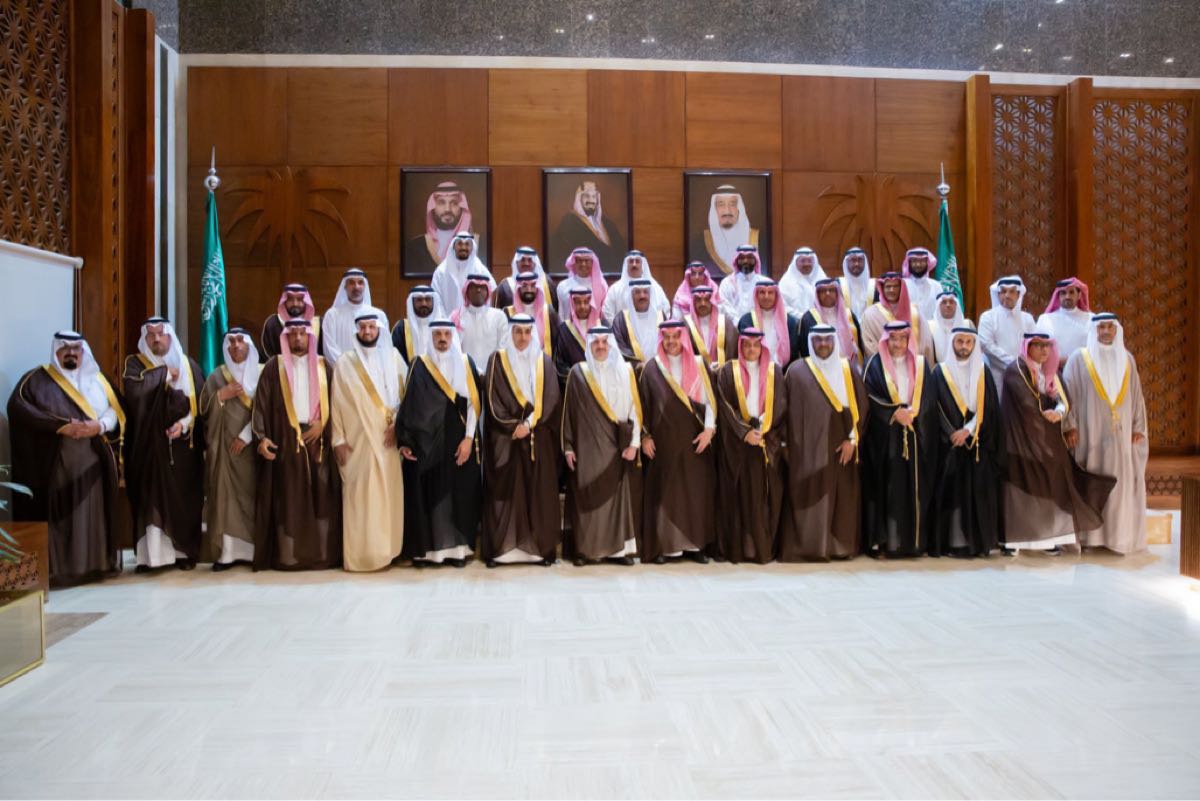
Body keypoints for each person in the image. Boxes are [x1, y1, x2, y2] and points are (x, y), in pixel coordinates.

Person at [7, 331, 123, 586]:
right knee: (62, 516)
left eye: (76, 349)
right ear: (56, 351)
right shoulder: (37, 380)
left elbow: (115, 411)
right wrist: (59, 426)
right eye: (65, 349)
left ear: (83, 351)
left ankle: (93, 566)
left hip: (92, 462)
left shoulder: (98, 380)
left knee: (90, 517)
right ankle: (61, 571)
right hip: (56, 464)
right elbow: (19, 408)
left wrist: (99, 426)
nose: (71, 353)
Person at [1001, 332, 1114, 554]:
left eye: (1047, 346)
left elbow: (1064, 399)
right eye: (1038, 345)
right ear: (1027, 347)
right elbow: (1027, 405)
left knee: (1051, 486)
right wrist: (1048, 415)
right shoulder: (1016, 370)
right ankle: (1017, 541)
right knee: (1023, 487)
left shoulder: (1051, 371)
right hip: (1021, 442)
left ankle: (1048, 539)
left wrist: (1060, 412)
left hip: (1048, 440)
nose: (1044, 350)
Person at [253, 319, 342, 570]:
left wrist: (323, 424)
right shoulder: (274, 367)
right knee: (289, 501)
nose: (298, 338)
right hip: (285, 440)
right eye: (293, 334)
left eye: (303, 334)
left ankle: (323, 556)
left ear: (311, 337)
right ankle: (289, 557)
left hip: (318, 442)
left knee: (322, 500)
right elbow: (260, 405)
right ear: (285, 337)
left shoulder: (325, 367)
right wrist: (261, 437)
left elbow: (338, 403)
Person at [396, 321, 482, 567]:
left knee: (458, 496)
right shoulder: (419, 364)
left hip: (457, 441)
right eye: (438, 334)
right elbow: (408, 405)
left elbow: (473, 405)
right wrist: (405, 441)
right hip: (425, 445)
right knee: (428, 496)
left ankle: (457, 552)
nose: (442, 339)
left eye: (446, 334)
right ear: (431, 337)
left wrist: (469, 439)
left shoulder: (465, 362)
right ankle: (426, 553)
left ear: (453, 336)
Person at [122, 317, 204, 572]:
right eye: (151, 335)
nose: (156, 339)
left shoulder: (188, 365)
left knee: (183, 501)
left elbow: (200, 405)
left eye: (161, 333)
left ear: (170, 336)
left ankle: (183, 553)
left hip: (182, 448)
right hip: (149, 447)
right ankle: (152, 558)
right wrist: (165, 375)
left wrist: (184, 424)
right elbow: (134, 393)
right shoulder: (135, 365)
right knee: (151, 502)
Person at [780, 325, 867, 561]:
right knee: (809, 500)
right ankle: (809, 548)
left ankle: (839, 548)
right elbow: (784, 412)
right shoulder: (797, 371)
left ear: (834, 341)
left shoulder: (848, 370)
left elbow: (860, 408)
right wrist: (786, 446)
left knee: (841, 500)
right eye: (817, 340)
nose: (823, 344)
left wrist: (852, 440)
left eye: (827, 339)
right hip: (806, 452)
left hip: (841, 447)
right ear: (810, 342)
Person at [1063, 314, 1148, 554]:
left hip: (1121, 436)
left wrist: (1138, 427)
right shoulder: (1079, 359)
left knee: (1119, 485)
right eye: (1101, 327)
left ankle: (1117, 537)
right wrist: (1069, 425)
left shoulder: (1127, 359)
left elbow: (1137, 396)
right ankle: (1090, 537)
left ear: (1117, 330)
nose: (1106, 331)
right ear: (1094, 330)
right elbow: (1068, 394)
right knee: (1092, 482)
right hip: (1089, 435)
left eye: (1111, 327)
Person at [481, 314, 562, 567]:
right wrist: (512, 426)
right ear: (511, 333)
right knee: (505, 493)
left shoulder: (544, 362)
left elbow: (551, 399)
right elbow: (492, 401)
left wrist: (528, 425)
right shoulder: (497, 360)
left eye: (527, 332)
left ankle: (539, 551)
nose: (523, 337)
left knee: (537, 494)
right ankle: (501, 551)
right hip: (505, 438)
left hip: (537, 436)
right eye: (518, 331)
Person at [332, 311, 407, 572]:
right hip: (358, 440)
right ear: (357, 330)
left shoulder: (394, 357)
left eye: (371, 327)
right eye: (363, 327)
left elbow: (406, 396)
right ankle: (363, 556)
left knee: (387, 497)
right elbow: (336, 401)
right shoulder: (345, 363)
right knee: (362, 499)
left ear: (379, 329)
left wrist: (399, 425)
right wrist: (338, 439)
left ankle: (387, 552)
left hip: (388, 439)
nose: (367, 331)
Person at [560, 326, 642, 566]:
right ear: (589, 345)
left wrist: (635, 442)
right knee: (588, 499)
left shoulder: (626, 371)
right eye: (595, 342)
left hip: (619, 445)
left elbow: (635, 410)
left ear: (611, 344)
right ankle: (587, 551)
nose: (600, 346)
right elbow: (568, 413)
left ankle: (618, 552)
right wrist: (568, 446)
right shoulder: (578, 373)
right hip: (587, 448)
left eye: (605, 341)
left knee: (617, 501)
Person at [638, 320, 718, 564]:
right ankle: (665, 548)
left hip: (695, 442)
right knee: (666, 495)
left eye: (676, 336)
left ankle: (696, 547)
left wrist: (709, 430)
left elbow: (711, 402)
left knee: (695, 495)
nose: (671, 342)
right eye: (667, 337)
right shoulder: (652, 368)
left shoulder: (699, 364)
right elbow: (642, 406)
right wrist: (645, 436)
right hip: (663, 444)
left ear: (683, 338)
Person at [861, 321, 936, 558]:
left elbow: (929, 398)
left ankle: (913, 544)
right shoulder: (874, 364)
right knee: (888, 489)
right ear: (886, 340)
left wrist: (914, 415)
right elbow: (868, 396)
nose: (898, 344)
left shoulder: (921, 364)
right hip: (886, 437)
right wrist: (894, 413)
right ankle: (887, 543)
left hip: (915, 434)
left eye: (902, 339)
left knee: (914, 490)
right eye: (893, 339)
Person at [930, 325, 1004, 557]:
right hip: (949, 445)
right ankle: (952, 544)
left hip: (978, 444)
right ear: (952, 342)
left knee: (977, 495)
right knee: (952, 495)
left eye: (968, 342)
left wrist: (969, 431)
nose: (964, 346)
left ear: (974, 344)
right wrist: (952, 433)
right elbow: (934, 408)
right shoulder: (940, 372)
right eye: (959, 341)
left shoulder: (983, 371)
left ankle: (977, 544)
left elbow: (990, 408)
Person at [714, 327, 786, 563]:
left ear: (762, 347)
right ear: (741, 346)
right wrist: (744, 432)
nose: (752, 350)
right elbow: (725, 407)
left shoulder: (775, 372)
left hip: (765, 441)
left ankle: (761, 549)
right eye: (747, 345)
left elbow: (781, 406)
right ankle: (738, 550)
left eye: (756, 345)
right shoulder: (728, 371)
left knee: (763, 498)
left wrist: (764, 428)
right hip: (737, 445)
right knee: (738, 498)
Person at [198, 328, 259, 571]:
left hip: (252, 449)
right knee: (225, 500)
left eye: (240, 340)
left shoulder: (261, 373)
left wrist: (247, 436)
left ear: (249, 345)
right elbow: (204, 411)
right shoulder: (216, 376)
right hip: (224, 449)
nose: (235, 345)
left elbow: (268, 410)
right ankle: (227, 553)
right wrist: (221, 396)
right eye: (231, 342)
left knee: (251, 498)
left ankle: (253, 551)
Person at [978, 276, 1036, 397]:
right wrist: (1014, 364)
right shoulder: (988, 317)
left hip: (1023, 375)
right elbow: (987, 345)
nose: (1007, 295)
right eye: (1003, 291)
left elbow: (1034, 346)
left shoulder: (1028, 319)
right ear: (998, 294)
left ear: (1018, 294)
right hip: (995, 374)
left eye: (1011, 291)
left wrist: (1022, 368)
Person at [550, 180, 627, 269]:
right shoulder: (569, 222)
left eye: (594, 196)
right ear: (579, 198)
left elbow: (622, 252)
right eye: (586, 196)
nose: (591, 200)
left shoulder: (608, 223)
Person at [860, 272, 934, 362]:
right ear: (882, 288)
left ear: (901, 288)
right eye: (888, 287)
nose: (892, 290)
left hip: (914, 365)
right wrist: (891, 363)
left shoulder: (915, 312)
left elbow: (926, 343)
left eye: (895, 286)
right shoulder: (869, 315)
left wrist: (917, 363)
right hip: (883, 367)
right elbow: (869, 345)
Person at [404, 180, 474, 274]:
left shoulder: (478, 243)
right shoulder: (415, 246)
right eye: (441, 202)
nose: (447, 209)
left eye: (454, 203)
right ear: (433, 207)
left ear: (462, 208)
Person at [689, 184, 760, 275]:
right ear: (714, 209)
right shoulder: (699, 242)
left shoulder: (759, 239)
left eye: (733, 204)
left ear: (739, 208)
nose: (727, 211)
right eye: (721, 204)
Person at [797, 277, 865, 367]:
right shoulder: (809, 317)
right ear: (817, 294)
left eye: (831, 290)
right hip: (821, 368)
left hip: (850, 367)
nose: (827, 293)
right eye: (823, 291)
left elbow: (859, 344)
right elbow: (804, 349)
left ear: (837, 293)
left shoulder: (849, 314)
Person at [737, 278, 800, 370]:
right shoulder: (746, 320)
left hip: (783, 372)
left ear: (776, 295)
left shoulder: (789, 321)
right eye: (762, 292)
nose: (766, 297)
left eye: (770, 293)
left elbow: (793, 352)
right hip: (754, 371)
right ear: (756, 295)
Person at [451, 273, 508, 371]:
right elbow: (454, 349)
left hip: (492, 373)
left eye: (482, 287)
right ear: (466, 290)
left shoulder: (499, 316)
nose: (478, 290)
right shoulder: (456, 317)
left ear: (488, 291)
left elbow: (502, 349)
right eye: (474, 287)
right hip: (465, 373)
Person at [431, 231, 495, 316]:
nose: (463, 247)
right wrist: (445, 321)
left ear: (472, 247)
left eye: (467, 244)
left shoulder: (480, 270)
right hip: (447, 321)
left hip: (474, 321)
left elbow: (488, 297)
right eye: (460, 244)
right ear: (453, 246)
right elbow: (436, 299)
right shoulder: (441, 272)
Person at [321, 268, 373, 363]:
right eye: (351, 283)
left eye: (360, 282)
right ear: (345, 286)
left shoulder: (377, 315)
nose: (356, 287)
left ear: (365, 286)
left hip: (369, 370)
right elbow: (329, 349)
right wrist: (346, 367)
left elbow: (381, 348)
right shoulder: (332, 315)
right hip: (340, 370)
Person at [504, 270, 560, 358]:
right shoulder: (507, 313)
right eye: (524, 286)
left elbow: (557, 345)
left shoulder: (549, 312)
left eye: (533, 286)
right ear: (518, 288)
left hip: (543, 363)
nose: (529, 290)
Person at [602, 250, 671, 320]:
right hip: (623, 327)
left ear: (643, 264)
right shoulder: (615, 289)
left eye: (637, 261)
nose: (634, 265)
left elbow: (665, 309)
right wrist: (618, 326)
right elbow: (608, 312)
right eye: (631, 261)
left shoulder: (655, 287)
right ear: (626, 264)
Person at [682, 285, 738, 369]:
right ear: (693, 302)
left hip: (722, 373)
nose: (703, 303)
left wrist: (724, 367)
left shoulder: (725, 323)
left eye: (707, 300)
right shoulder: (685, 324)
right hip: (697, 373)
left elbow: (732, 350)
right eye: (698, 300)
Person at [611, 279, 664, 369]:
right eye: (637, 292)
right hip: (632, 370)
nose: (642, 296)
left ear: (650, 295)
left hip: (658, 369)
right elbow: (619, 347)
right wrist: (637, 364)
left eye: (645, 292)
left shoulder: (661, 317)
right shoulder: (620, 319)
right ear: (631, 296)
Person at [555, 287, 603, 382]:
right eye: (578, 302)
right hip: (575, 383)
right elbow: (560, 363)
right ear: (572, 304)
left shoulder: (601, 325)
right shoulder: (564, 329)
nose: (582, 306)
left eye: (586, 302)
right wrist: (577, 378)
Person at [261, 283, 322, 359]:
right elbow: (268, 354)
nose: (295, 304)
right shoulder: (273, 323)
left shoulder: (318, 324)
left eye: (299, 299)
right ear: (284, 301)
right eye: (290, 300)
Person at [1037, 277, 1092, 358]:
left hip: (1082, 365)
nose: (1067, 296)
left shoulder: (1091, 319)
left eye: (1071, 292)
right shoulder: (1045, 319)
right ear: (1058, 296)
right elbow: (1038, 348)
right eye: (1063, 293)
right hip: (1054, 365)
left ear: (1079, 295)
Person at [391, 285, 443, 366]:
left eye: (427, 299)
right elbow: (395, 359)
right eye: (419, 300)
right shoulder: (401, 328)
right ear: (412, 302)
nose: (424, 303)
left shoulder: (443, 328)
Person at [494, 246, 555, 311]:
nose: (526, 263)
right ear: (516, 262)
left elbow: (556, 310)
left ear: (535, 263)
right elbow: (498, 312)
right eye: (522, 260)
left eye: (530, 260)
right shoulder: (505, 285)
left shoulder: (546, 282)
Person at [718, 244, 765, 321]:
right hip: (733, 325)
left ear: (755, 260)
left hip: (758, 325)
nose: (745, 261)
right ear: (736, 260)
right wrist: (738, 321)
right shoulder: (727, 283)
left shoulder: (764, 282)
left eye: (749, 257)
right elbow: (723, 305)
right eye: (742, 258)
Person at [555, 247, 609, 313]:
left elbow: (605, 312)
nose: (583, 264)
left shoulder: (602, 285)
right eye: (579, 261)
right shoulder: (563, 286)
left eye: (587, 261)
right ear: (574, 263)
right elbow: (561, 313)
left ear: (592, 263)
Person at [779, 247, 826, 316]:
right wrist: (803, 318)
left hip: (820, 320)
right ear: (795, 262)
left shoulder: (822, 280)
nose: (806, 264)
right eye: (803, 261)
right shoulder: (786, 283)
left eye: (809, 261)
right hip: (795, 321)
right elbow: (782, 306)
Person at [901, 247, 943, 319]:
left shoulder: (936, 286)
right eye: (914, 261)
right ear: (909, 263)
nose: (918, 264)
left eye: (922, 261)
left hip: (931, 325)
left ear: (927, 263)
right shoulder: (902, 284)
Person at [929, 291, 970, 363]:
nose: (948, 305)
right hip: (937, 367)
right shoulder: (930, 326)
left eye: (951, 302)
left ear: (956, 305)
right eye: (944, 302)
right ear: (938, 306)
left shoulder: (967, 325)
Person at [838, 246, 873, 318]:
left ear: (865, 262)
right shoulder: (838, 284)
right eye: (853, 260)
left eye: (860, 260)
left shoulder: (874, 286)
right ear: (846, 262)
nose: (856, 264)